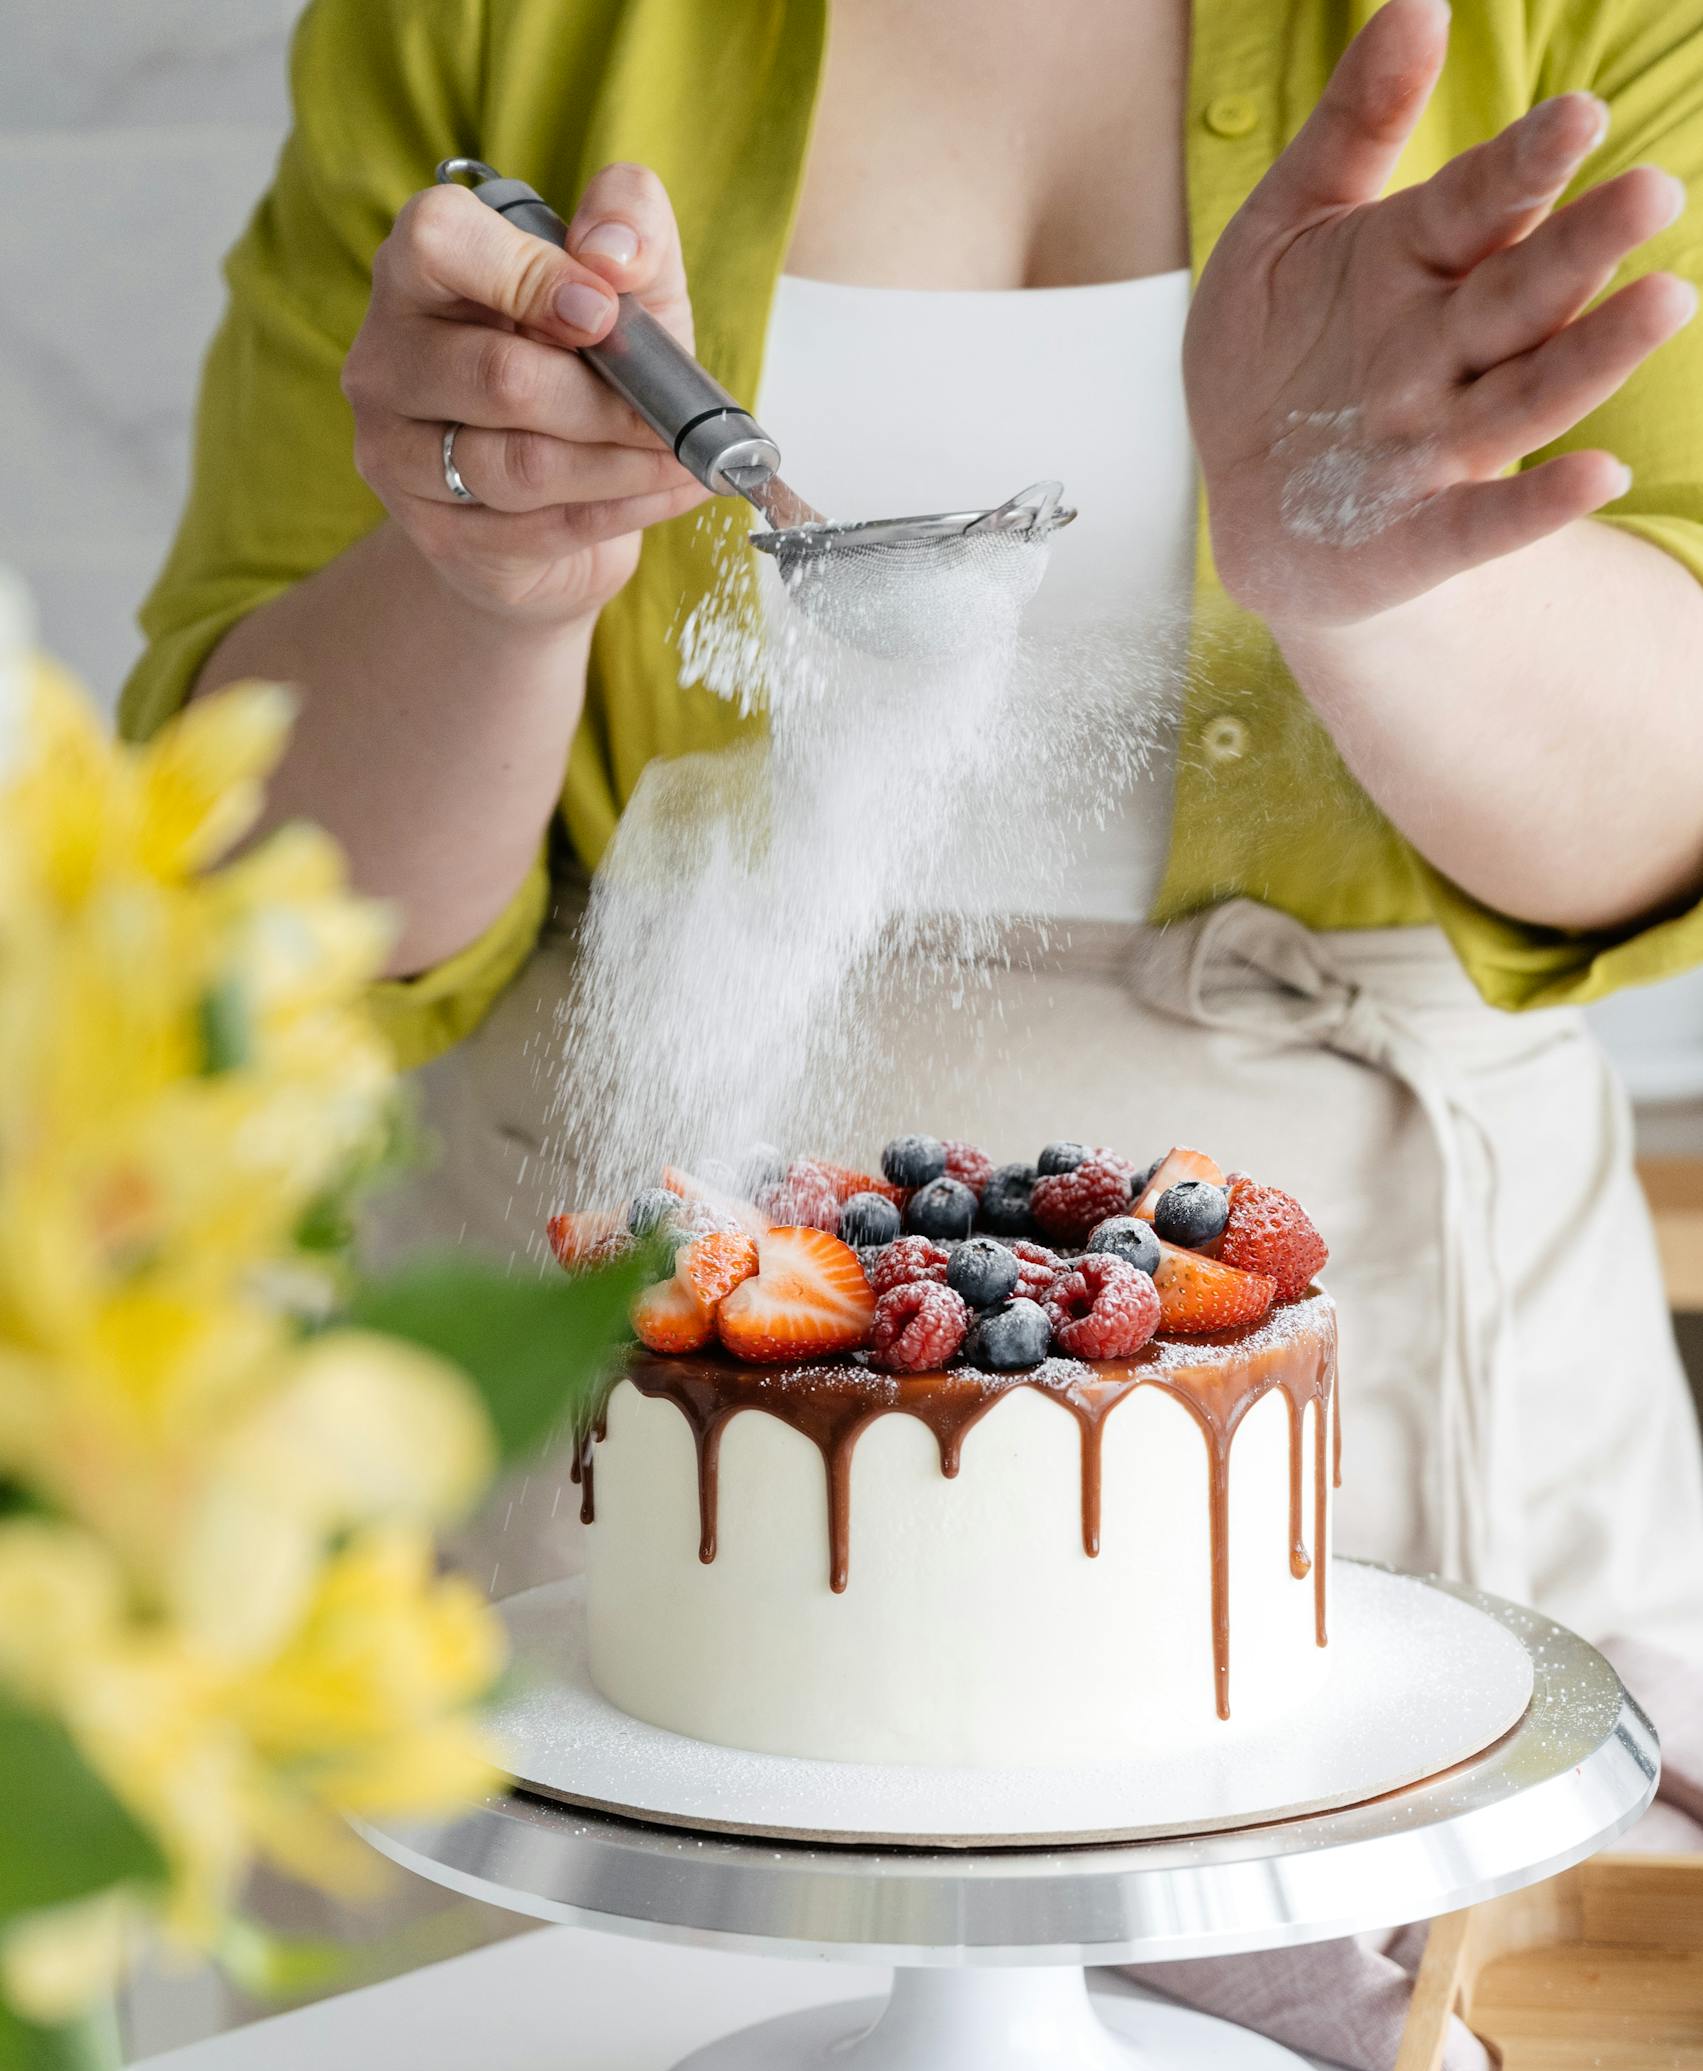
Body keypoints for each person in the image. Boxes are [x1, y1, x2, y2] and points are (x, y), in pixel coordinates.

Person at [126, 0, 1703, 1882]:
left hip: (1408, 1402)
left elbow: (1660, 809)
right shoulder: (478, 23)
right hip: (609, 1417)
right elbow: (274, 898)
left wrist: (1378, 576)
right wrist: (485, 583)